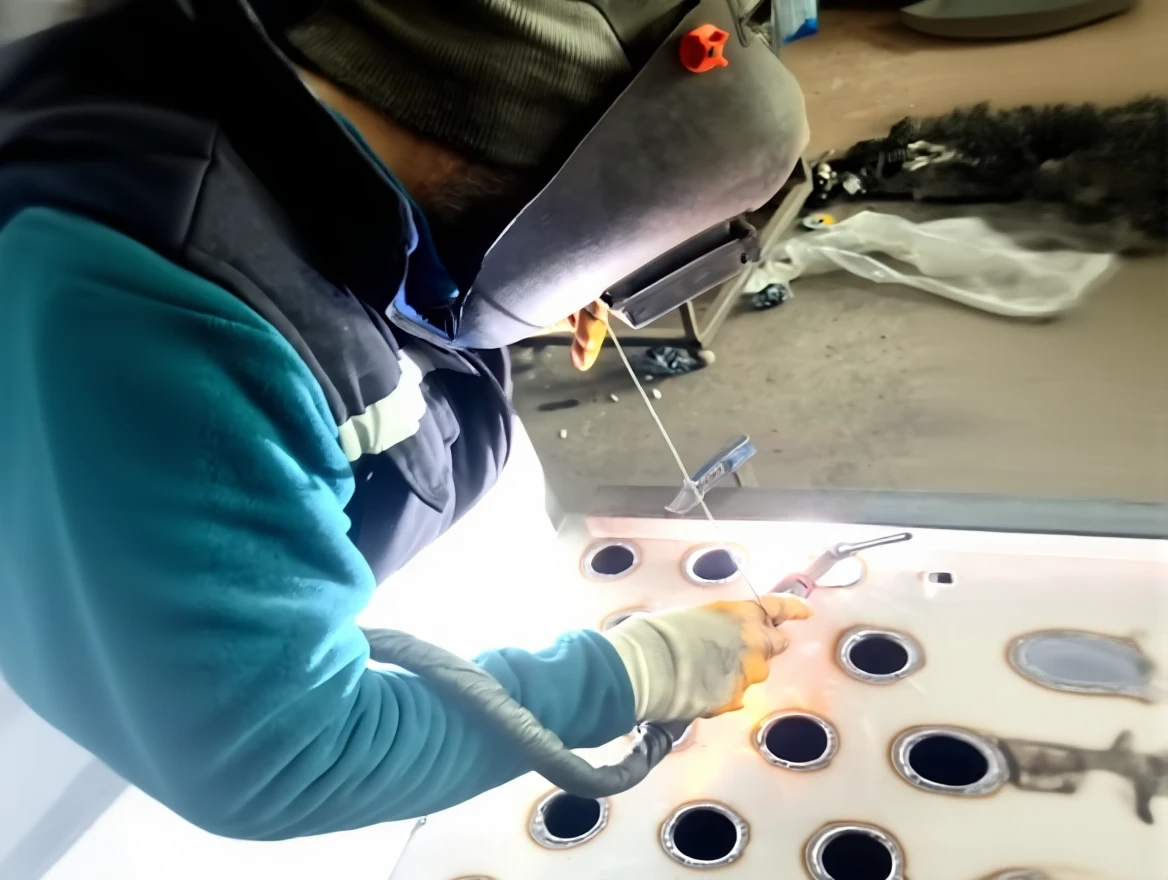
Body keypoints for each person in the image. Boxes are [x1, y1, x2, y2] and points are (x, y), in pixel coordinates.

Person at [0, 0, 810, 840]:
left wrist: (556, 265)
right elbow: (282, 760)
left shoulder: (296, 114)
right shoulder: (162, 322)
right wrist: (638, 672)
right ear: (478, 136)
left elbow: (409, 263)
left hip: (382, 621)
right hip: (145, 778)